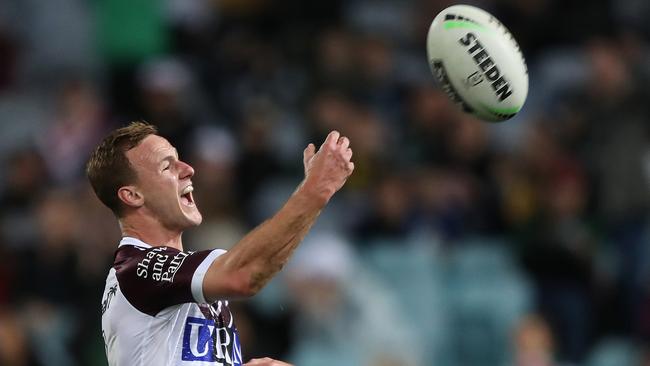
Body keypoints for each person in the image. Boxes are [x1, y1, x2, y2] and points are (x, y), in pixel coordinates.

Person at [86, 121, 354, 366]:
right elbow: (245, 275)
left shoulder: (177, 281)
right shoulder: (137, 269)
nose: (188, 169)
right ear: (132, 195)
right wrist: (316, 191)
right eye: (168, 166)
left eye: (179, 160)